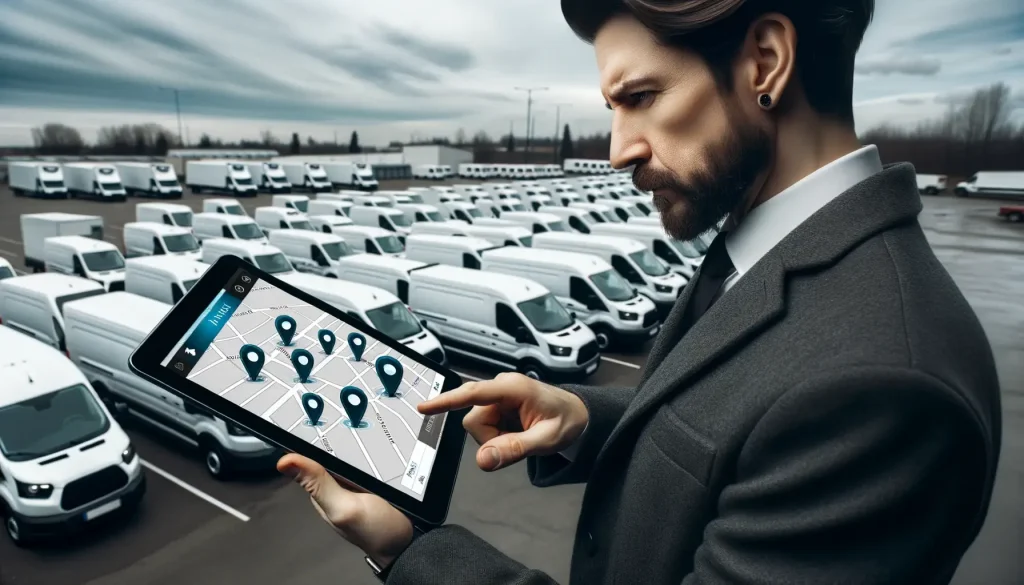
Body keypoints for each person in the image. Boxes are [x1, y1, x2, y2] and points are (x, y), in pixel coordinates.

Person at [278, 0, 1003, 583]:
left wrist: (411, 552)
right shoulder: (766, 239)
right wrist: (585, 419)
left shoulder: (889, 390)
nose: (619, 148)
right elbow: (736, 416)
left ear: (766, 61)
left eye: (643, 97)